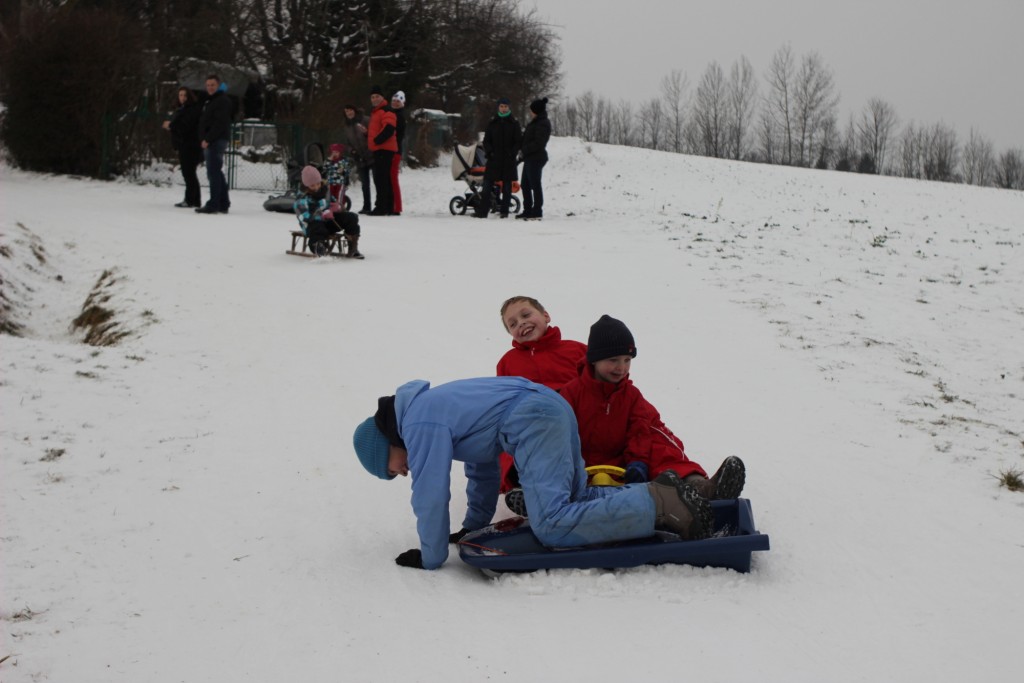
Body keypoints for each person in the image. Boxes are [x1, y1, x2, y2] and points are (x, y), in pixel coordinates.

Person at [351, 376, 714, 570]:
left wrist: (430, 557)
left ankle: (665, 506)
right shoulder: (434, 408)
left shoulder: (417, 421)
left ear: (385, 445)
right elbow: (482, 469)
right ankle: (668, 493)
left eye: (393, 469)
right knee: (576, 500)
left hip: (534, 418)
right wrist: (472, 526)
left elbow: (429, 494)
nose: (403, 472)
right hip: (549, 406)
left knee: (553, 523)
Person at [560, 314, 746, 501]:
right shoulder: (572, 393)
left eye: (627, 360)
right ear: (594, 359)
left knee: (657, 442)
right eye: (613, 360)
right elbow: (559, 435)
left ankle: (695, 488)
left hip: (624, 465)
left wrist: (637, 462)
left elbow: (639, 430)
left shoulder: (631, 395)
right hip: (578, 467)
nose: (621, 368)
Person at [495, 295, 586, 499]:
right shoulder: (508, 362)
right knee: (518, 445)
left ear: (546, 316)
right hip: (533, 427)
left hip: (576, 420)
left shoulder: (576, 350)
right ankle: (524, 489)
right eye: (513, 324)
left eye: (526, 314)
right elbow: (503, 405)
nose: (522, 323)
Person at [293, 165, 364, 259]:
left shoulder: (325, 190)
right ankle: (318, 247)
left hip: (329, 222)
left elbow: (334, 202)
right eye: (312, 185)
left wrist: (337, 207)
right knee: (317, 227)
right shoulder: (301, 197)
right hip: (312, 226)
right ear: (306, 185)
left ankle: (353, 247)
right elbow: (304, 217)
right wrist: (322, 215)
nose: (316, 187)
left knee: (351, 218)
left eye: (318, 183)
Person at [473, 97, 522, 219]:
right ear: (498, 107)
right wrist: (489, 153)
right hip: (494, 160)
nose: (503, 108)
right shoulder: (492, 122)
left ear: (509, 107)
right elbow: (486, 141)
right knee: (487, 185)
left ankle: (504, 211)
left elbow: (518, 141)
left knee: (506, 187)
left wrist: (512, 153)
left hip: (508, 160)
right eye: (501, 106)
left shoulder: (514, 123)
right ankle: (483, 211)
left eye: (505, 106)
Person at [196, 74, 233, 214]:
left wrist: (208, 138)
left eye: (213, 85)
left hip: (216, 140)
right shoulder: (212, 100)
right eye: (208, 85)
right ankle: (223, 203)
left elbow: (219, 123)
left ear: (218, 85)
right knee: (216, 172)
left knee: (213, 172)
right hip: (214, 139)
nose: (210, 87)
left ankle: (214, 204)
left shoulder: (221, 101)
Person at [162, 86, 203, 208]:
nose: (183, 98)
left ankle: (190, 199)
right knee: (190, 173)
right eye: (180, 95)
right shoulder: (182, 109)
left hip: (190, 145)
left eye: (185, 95)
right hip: (185, 144)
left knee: (188, 173)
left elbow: (185, 126)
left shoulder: (191, 109)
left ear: (189, 96)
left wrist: (170, 125)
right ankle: (195, 199)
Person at [518, 97, 551, 220]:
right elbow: (527, 138)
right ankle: (527, 209)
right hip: (529, 157)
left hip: (536, 158)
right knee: (525, 185)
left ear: (536, 111)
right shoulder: (535, 122)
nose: (529, 113)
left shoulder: (543, 123)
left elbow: (539, 143)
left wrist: (525, 149)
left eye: (531, 110)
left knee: (535, 184)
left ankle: (537, 210)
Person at [367, 86, 397, 216]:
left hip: (383, 149)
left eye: (377, 96)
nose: (374, 99)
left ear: (382, 97)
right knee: (384, 178)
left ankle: (381, 207)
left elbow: (389, 128)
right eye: (372, 97)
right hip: (380, 149)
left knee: (381, 179)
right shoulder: (376, 112)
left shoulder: (386, 110)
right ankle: (388, 206)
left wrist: (376, 140)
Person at [341, 105, 373, 214]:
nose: (349, 113)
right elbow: (347, 143)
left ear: (355, 110)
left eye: (350, 110)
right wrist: (352, 151)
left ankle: (382, 205)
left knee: (379, 182)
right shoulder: (346, 126)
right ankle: (367, 206)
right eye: (346, 111)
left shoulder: (366, 120)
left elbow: (374, 135)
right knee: (365, 183)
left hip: (372, 154)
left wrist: (366, 133)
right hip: (359, 158)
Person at [389, 91, 406, 215]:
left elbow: (398, 134)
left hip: (395, 150)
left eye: (398, 101)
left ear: (402, 102)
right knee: (391, 178)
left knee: (393, 178)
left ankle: (396, 206)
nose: (395, 103)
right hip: (392, 149)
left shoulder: (399, 116)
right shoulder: (392, 114)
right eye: (393, 100)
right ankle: (393, 205)